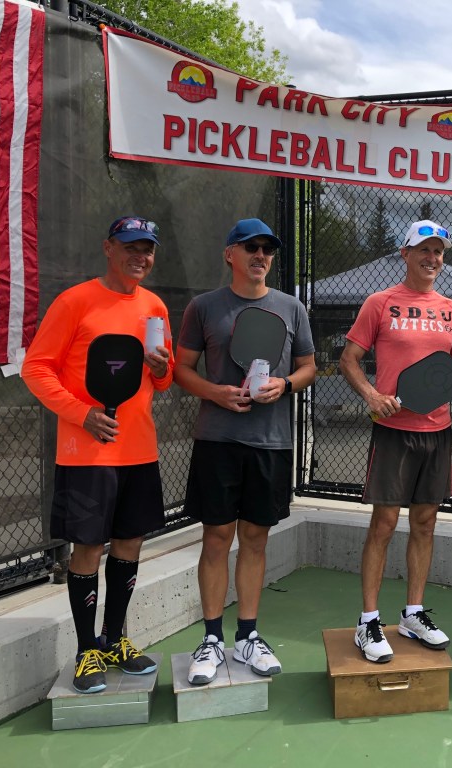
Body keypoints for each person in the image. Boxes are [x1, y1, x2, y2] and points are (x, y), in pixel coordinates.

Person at [22, 216, 174, 694]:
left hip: (139, 451)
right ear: (109, 248)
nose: (140, 257)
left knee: (130, 543)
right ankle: (87, 650)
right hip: (87, 454)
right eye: (131, 247)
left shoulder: (154, 306)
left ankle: (114, 640)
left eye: (147, 249)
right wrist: (81, 413)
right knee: (87, 548)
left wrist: (162, 369)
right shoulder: (75, 301)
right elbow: (36, 368)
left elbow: (162, 381)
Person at [174, 218, 316, 685]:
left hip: (271, 444)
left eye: (267, 249)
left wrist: (285, 384)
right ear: (229, 254)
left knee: (255, 540)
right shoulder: (203, 307)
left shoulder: (292, 307)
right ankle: (212, 639)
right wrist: (215, 393)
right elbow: (181, 369)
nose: (260, 256)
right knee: (216, 539)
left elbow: (309, 366)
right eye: (251, 247)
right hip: (217, 441)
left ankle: (247, 636)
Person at [339, 220, 452, 663]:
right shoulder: (379, 303)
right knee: (383, 525)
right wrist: (372, 395)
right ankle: (368, 621)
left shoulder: (451, 310)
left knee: (424, 524)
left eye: (438, 251)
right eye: (424, 249)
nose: (432, 258)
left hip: (437, 431)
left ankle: (413, 614)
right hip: (392, 433)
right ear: (405, 254)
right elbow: (349, 359)